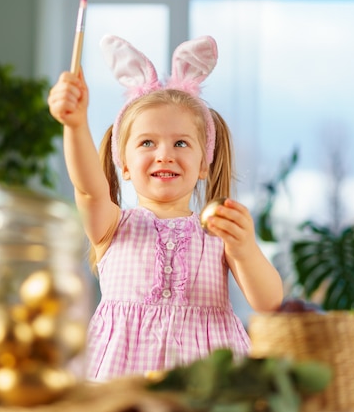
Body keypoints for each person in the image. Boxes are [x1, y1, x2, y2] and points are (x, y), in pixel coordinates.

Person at [47, 34, 283, 381]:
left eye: (181, 143)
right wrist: (75, 125)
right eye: (147, 142)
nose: (165, 154)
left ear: (204, 163)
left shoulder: (219, 234)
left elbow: (269, 303)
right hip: (120, 381)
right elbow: (88, 189)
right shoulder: (112, 225)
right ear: (123, 164)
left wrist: (245, 249)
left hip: (205, 381)